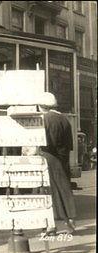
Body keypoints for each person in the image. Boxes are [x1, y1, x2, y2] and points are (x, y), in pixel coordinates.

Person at [38, 92, 76, 235]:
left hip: (49, 158)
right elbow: (69, 144)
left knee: (49, 193)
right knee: (64, 191)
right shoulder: (64, 119)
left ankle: (50, 226)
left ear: (42, 106)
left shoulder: (45, 119)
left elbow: (45, 141)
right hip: (63, 159)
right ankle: (70, 222)